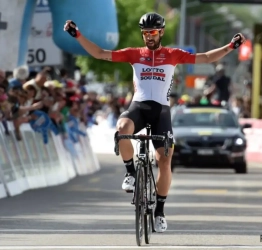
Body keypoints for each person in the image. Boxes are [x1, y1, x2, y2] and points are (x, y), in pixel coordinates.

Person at [64, 12, 245, 233]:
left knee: (164, 161)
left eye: (152, 32)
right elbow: (100, 53)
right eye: (145, 33)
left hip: (161, 112)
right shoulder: (133, 54)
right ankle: (130, 173)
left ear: (160, 32)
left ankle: (159, 211)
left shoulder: (173, 54)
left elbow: (206, 57)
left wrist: (230, 47)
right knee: (122, 129)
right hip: (138, 107)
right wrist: (78, 35)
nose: (148, 37)